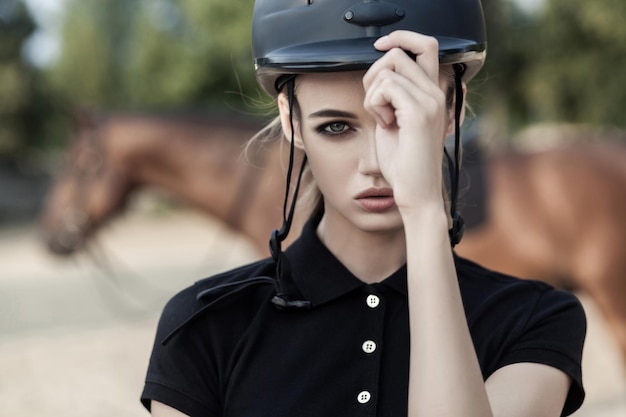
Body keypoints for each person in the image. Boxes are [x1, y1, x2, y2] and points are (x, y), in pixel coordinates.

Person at [141, 0, 586, 416]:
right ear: (291, 120)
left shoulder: (535, 318)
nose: (378, 164)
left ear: (453, 110)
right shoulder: (202, 324)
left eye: (402, 117)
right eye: (336, 126)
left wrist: (425, 213)